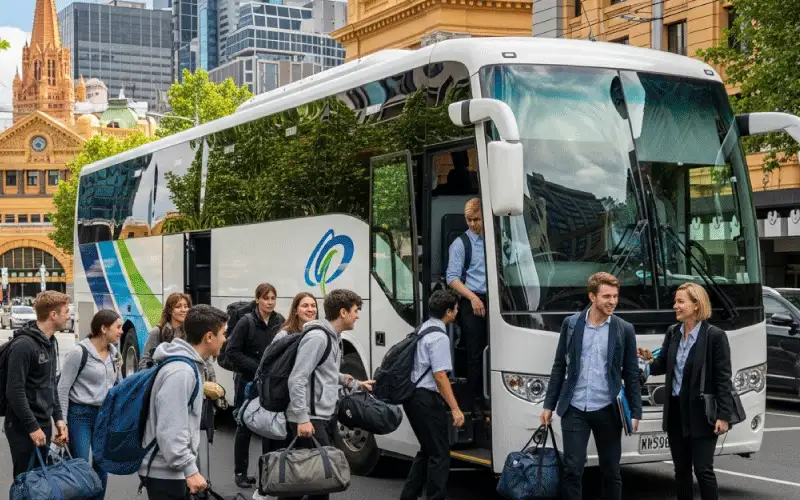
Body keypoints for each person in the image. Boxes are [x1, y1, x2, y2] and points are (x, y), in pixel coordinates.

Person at [540, 272, 642, 500]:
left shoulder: (624, 329)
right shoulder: (571, 324)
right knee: (572, 470)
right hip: (575, 408)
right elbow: (559, 366)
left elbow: (632, 374)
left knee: (611, 471)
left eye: (615, 296)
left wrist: (635, 411)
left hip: (608, 409)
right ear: (592, 297)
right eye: (606, 296)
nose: (612, 301)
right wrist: (548, 404)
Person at [638, 283, 733, 500]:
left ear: (696, 305)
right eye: (676, 301)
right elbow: (662, 365)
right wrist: (648, 361)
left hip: (702, 413)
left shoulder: (714, 336)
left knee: (703, 470)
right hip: (676, 412)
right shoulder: (673, 332)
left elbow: (723, 379)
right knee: (681, 471)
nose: (675, 306)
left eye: (681, 301)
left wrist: (723, 415)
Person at [286, 289, 373, 500]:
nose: (357, 316)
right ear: (343, 312)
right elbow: (297, 378)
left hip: (320, 416)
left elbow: (326, 372)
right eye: (355, 311)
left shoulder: (332, 337)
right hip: (310, 419)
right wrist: (303, 418)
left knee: (307, 482)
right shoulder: (318, 338)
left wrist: (354, 383)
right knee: (319, 481)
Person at [138, 304, 228, 500]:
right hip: (165, 471)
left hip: (170, 468)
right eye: (223, 333)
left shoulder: (188, 366)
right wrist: (189, 469)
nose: (225, 339)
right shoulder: (181, 372)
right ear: (209, 337)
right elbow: (171, 428)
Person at [400, 290, 465, 500]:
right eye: (456, 308)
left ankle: (408, 496)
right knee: (440, 455)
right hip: (426, 399)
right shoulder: (439, 337)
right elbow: (440, 377)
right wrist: (455, 408)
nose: (457, 311)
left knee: (428, 450)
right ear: (448, 311)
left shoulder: (423, 329)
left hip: (412, 397)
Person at [4, 290, 71, 479]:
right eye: (66, 312)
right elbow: (14, 392)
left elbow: (51, 384)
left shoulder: (51, 342)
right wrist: (32, 427)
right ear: (53, 315)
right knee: (25, 482)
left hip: (44, 423)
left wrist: (58, 419)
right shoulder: (23, 346)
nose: (69, 316)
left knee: (41, 482)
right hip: (22, 426)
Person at [57, 309, 122, 498]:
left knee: (102, 465)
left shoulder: (114, 354)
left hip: (104, 415)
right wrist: (62, 423)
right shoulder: (79, 352)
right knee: (81, 465)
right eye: (117, 327)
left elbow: (118, 386)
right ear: (103, 328)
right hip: (80, 415)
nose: (121, 331)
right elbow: (62, 388)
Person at [227, 283, 286, 488]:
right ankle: (240, 472)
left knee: (269, 426)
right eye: (266, 298)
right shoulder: (246, 322)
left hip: (270, 384)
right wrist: (257, 368)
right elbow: (232, 352)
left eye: (273, 298)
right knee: (245, 426)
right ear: (258, 299)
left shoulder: (279, 321)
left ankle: (267, 473)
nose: (270, 302)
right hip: (248, 382)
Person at [445, 197, 487, 413]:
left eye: (476, 219)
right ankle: (474, 402)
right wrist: (472, 297)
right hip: (472, 300)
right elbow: (451, 278)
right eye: (469, 220)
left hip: (495, 301)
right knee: (474, 353)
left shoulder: (499, 239)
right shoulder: (461, 244)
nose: (472, 224)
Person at [139, 293, 217, 383]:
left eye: (186, 306)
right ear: (169, 310)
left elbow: (206, 361)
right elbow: (144, 362)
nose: (184, 310)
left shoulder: (194, 332)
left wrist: (212, 383)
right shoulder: (158, 332)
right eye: (178, 307)